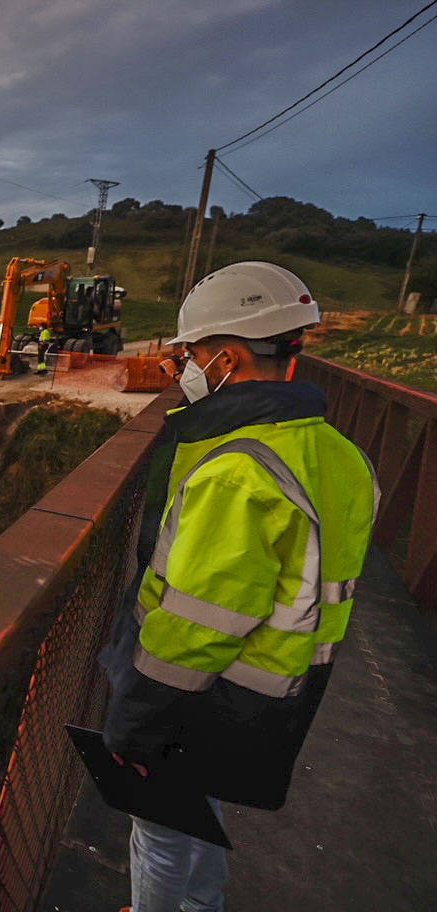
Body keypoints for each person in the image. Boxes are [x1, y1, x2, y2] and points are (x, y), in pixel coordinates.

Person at [99, 262, 378, 912]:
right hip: (279, 689)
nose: (182, 368)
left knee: (159, 833)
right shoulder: (341, 455)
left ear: (225, 357)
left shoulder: (238, 472)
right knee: (200, 814)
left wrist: (134, 726)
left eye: (190, 354)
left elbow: (196, 627)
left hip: (206, 693)